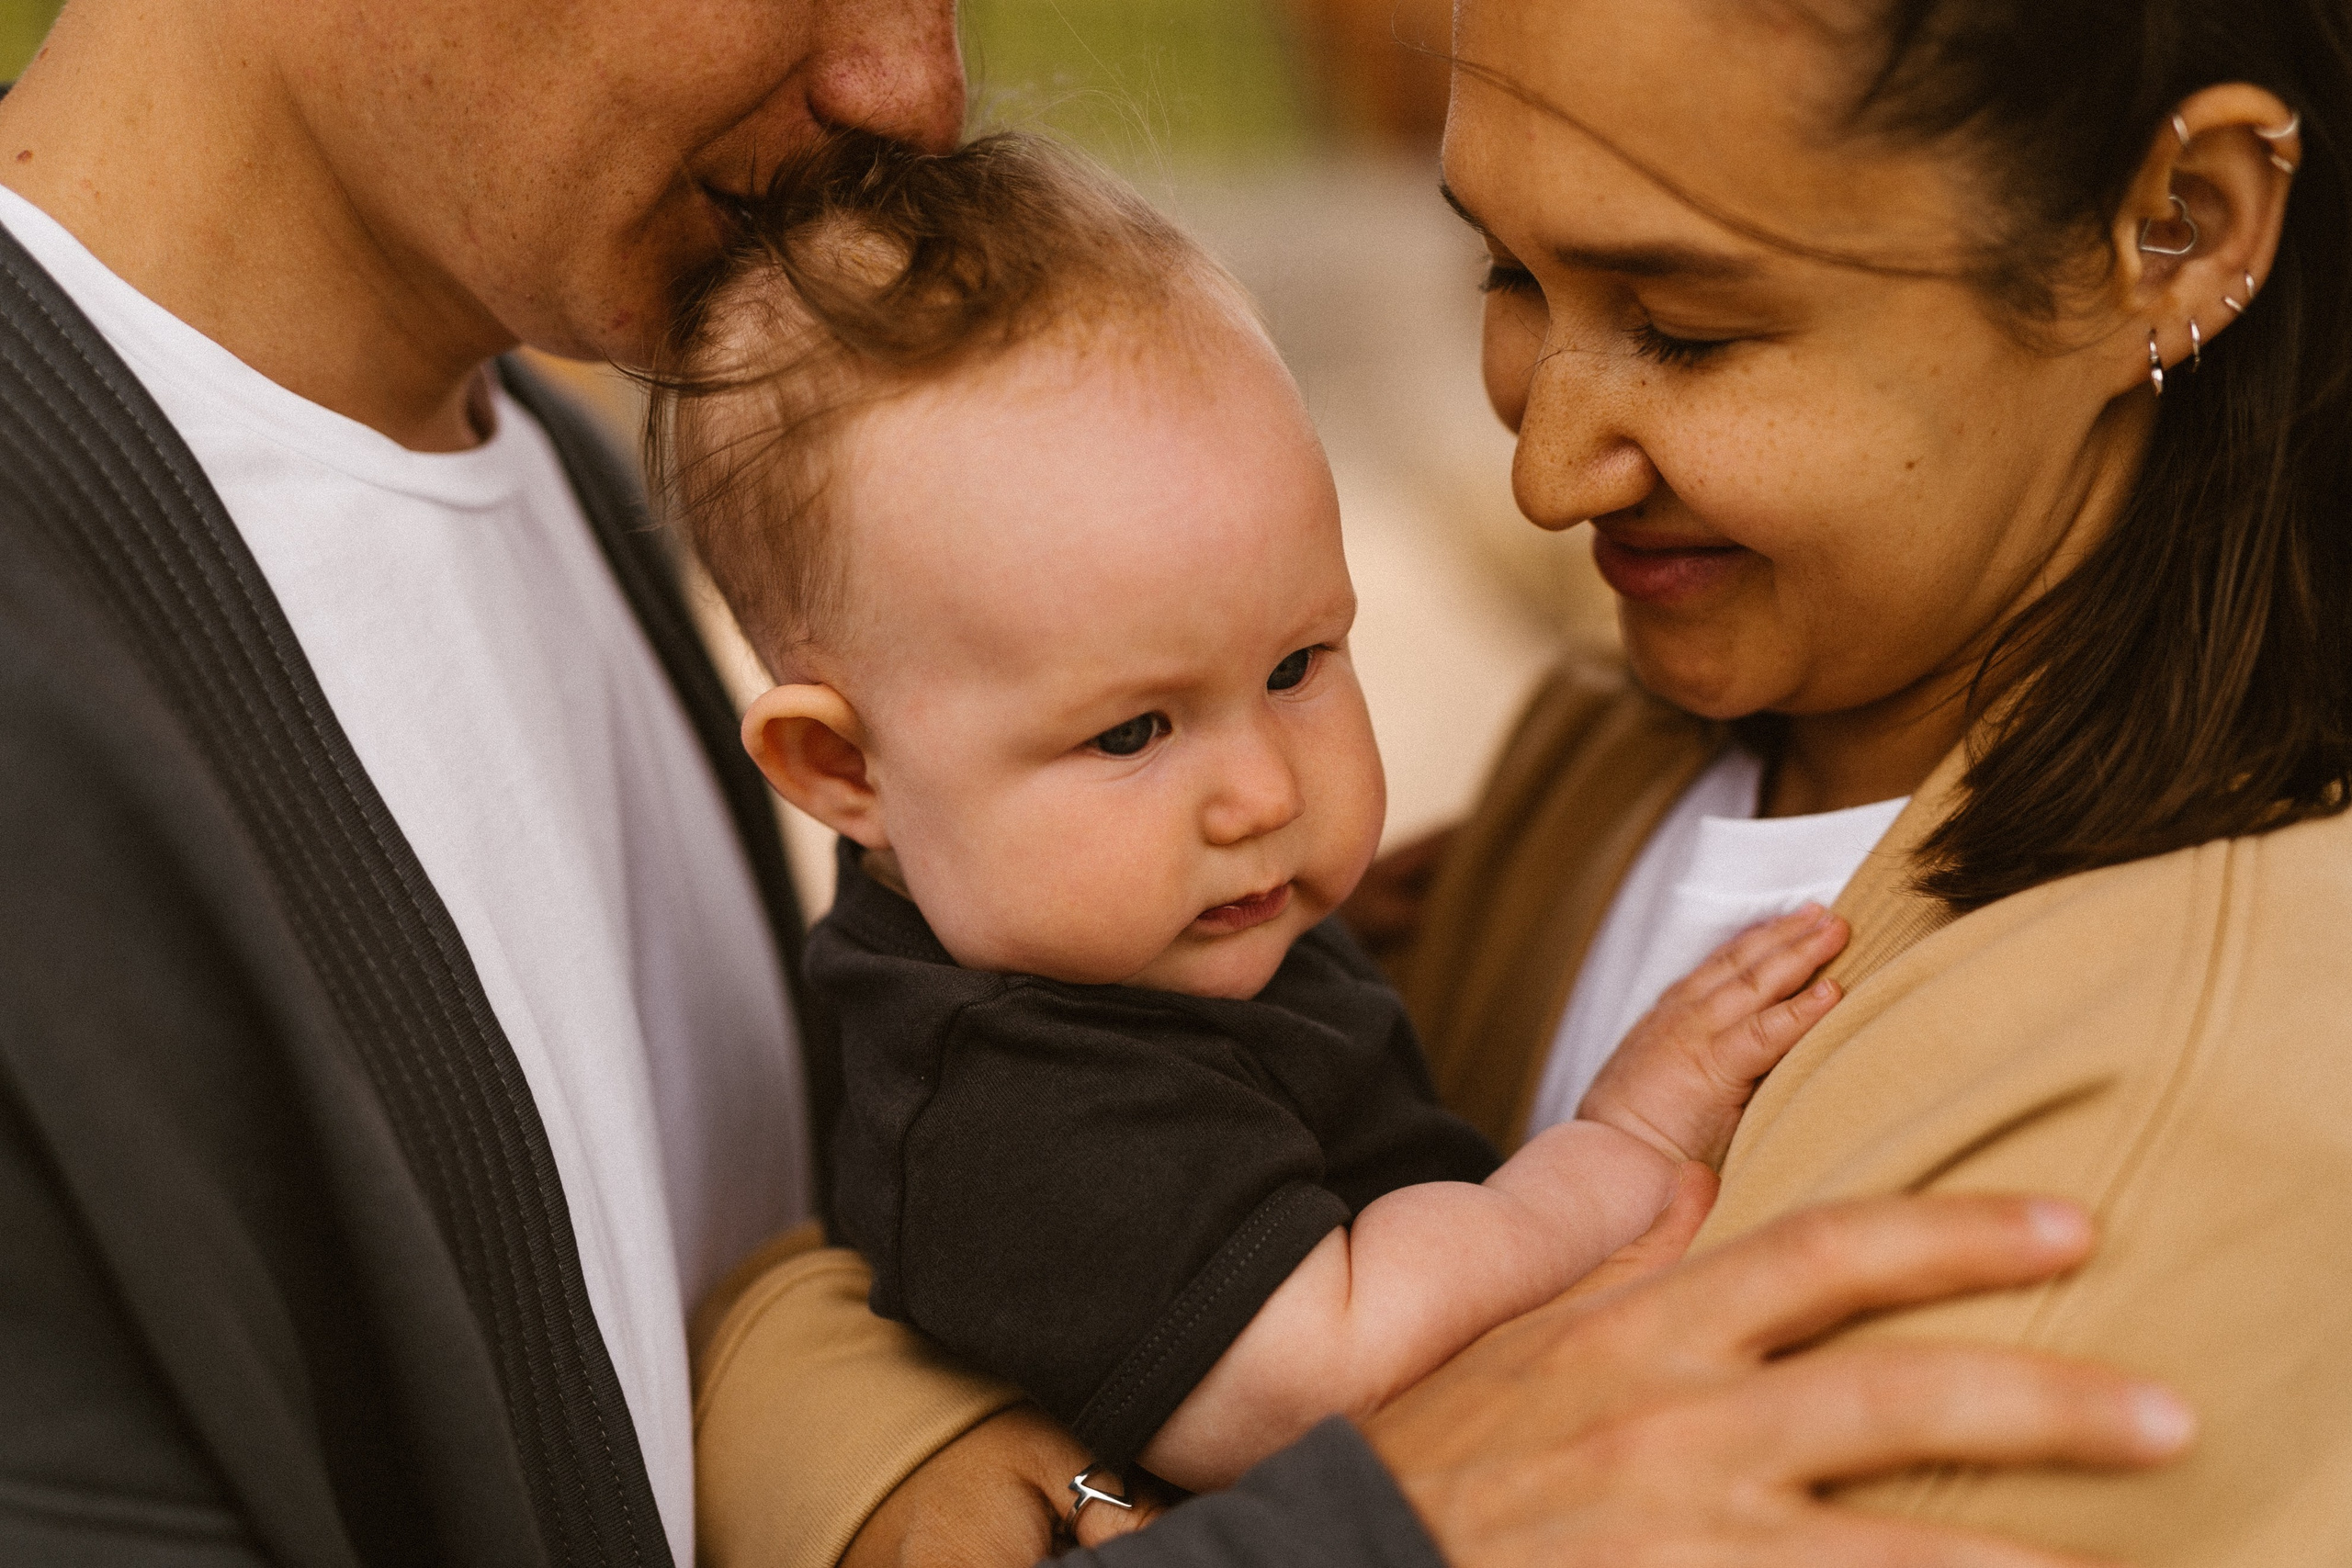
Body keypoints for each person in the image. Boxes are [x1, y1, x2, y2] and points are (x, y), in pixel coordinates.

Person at [0, 0, 2190, 1564]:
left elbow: (777, 1264)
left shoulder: (555, 467)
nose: (906, 83)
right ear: (834, 757)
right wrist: (1376, 1524)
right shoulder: (63, 677)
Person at [652, 130, 1853, 1494]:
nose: (1267, 795)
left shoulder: (1115, 937)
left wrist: (1339, 946)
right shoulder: (1020, 1109)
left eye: (1296, 667)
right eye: (1132, 732)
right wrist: (1615, 1146)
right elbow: (1314, 1372)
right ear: (843, 772)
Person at [1370, 0, 2352, 1561]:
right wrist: (908, 1446)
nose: (1545, 473)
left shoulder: (2160, 1104)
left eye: (1689, 329)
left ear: (2176, 232)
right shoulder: (1629, 738)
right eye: (1507, 272)